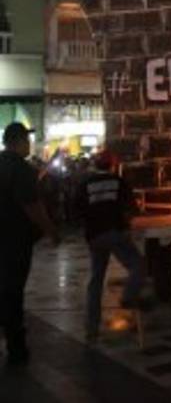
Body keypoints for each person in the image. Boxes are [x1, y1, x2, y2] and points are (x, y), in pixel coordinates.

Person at [0, 122, 59, 367]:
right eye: (27, 140)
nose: (29, 144)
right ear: (19, 141)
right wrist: (51, 230)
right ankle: (16, 348)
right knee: (12, 292)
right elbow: (31, 206)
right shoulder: (19, 168)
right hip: (14, 240)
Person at [75, 148, 146, 342]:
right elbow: (132, 208)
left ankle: (91, 328)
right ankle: (128, 297)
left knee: (96, 280)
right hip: (114, 233)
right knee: (138, 265)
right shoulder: (119, 182)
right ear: (113, 164)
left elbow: (76, 210)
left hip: (95, 237)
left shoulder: (85, 184)